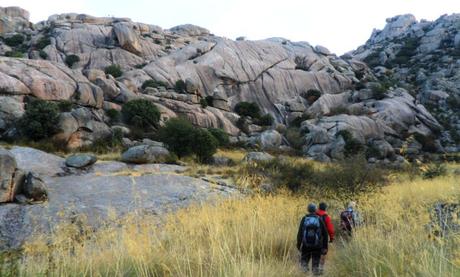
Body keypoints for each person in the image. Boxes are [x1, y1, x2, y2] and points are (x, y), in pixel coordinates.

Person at [297, 203, 328, 275]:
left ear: (308, 210)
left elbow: (300, 233)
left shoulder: (304, 219)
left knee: (304, 260)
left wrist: (299, 245)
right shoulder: (319, 219)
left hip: (305, 245)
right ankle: (315, 272)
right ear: (315, 210)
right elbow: (325, 233)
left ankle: (304, 272)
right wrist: (325, 246)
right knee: (316, 262)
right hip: (317, 245)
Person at [316, 202, 335, 274]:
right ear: (325, 208)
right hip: (323, 238)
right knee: (323, 253)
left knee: (315, 252)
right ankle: (321, 269)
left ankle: (315, 268)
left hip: (314, 238)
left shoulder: (314, 215)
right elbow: (330, 229)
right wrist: (331, 238)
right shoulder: (326, 217)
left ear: (318, 207)